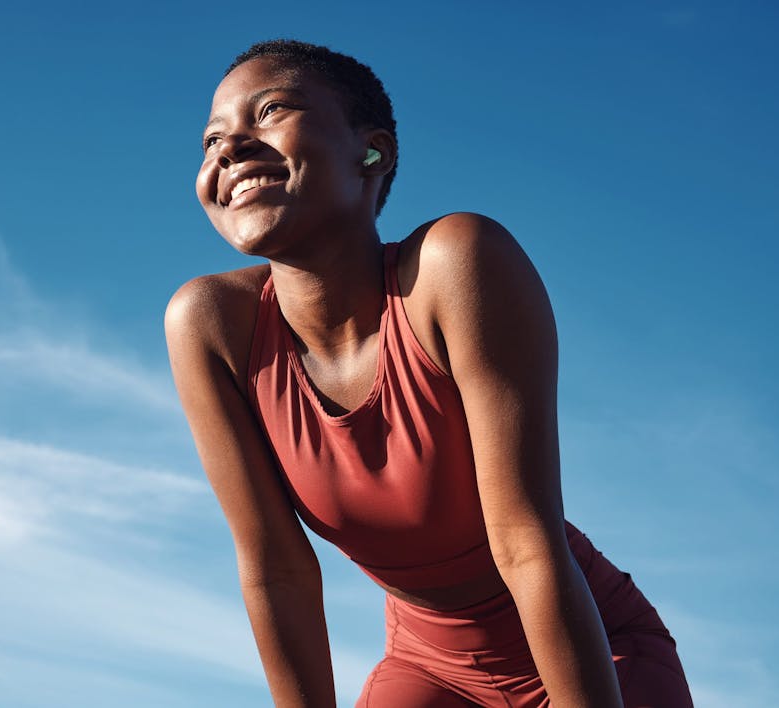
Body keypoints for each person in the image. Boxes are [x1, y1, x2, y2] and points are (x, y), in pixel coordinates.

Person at [165, 39, 694, 707]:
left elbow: (525, 541)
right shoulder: (210, 323)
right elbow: (277, 571)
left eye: (270, 111)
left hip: (590, 652)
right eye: (212, 139)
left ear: (373, 153)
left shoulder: (454, 266)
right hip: (429, 669)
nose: (229, 148)